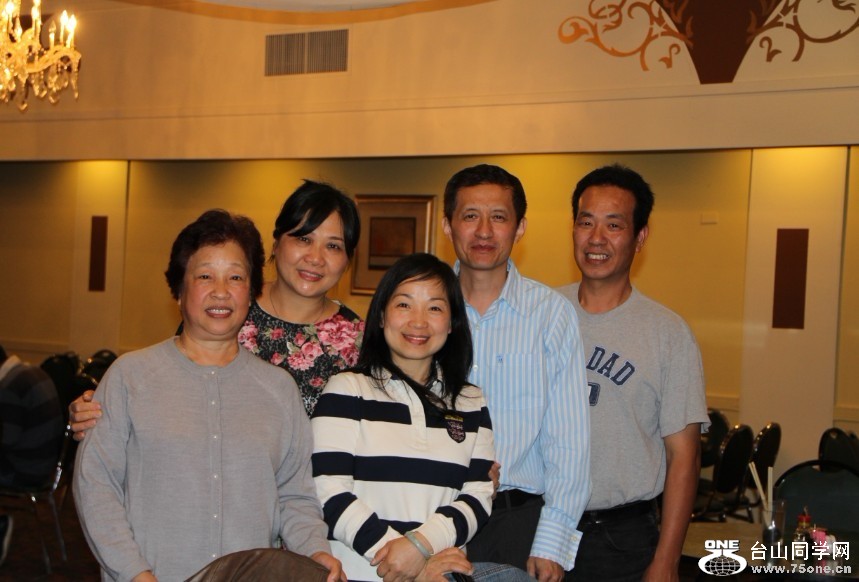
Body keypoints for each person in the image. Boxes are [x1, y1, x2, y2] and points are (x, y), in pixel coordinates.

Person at [73, 209, 344, 582]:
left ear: (251, 291)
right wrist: (135, 574)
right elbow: (96, 486)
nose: (221, 290)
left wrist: (315, 551)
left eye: (236, 277)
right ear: (179, 290)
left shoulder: (278, 389)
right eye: (205, 276)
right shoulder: (130, 377)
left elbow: (295, 496)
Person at [69, 179, 365, 432]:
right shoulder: (225, 307)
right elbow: (170, 393)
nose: (315, 258)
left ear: (348, 260)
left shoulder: (358, 342)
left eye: (333, 246)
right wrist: (98, 414)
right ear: (276, 243)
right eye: (303, 239)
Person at [311, 252, 529, 582]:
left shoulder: (470, 401)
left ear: (452, 322)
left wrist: (420, 547)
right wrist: (407, 563)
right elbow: (327, 491)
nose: (418, 321)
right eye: (404, 304)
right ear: (381, 315)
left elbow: (478, 493)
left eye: (435, 308)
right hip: (361, 574)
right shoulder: (346, 390)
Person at [556, 164, 708, 582]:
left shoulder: (668, 333)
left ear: (640, 237)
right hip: (541, 528)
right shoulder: (541, 314)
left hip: (622, 540)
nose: (596, 238)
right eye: (586, 222)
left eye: (614, 225)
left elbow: (684, 457)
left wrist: (667, 561)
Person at [441, 164, 591, 582]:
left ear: (520, 227)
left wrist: (552, 542)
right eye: (470, 216)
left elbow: (568, 440)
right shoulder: (423, 311)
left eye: (499, 217)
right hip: (431, 516)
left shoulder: (550, 315)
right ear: (448, 226)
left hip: (517, 523)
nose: (484, 231)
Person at [0, 344, 64, 568]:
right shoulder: (33, 371)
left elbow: (6, 441)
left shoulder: (9, 387)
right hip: (47, 463)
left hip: (26, 470)